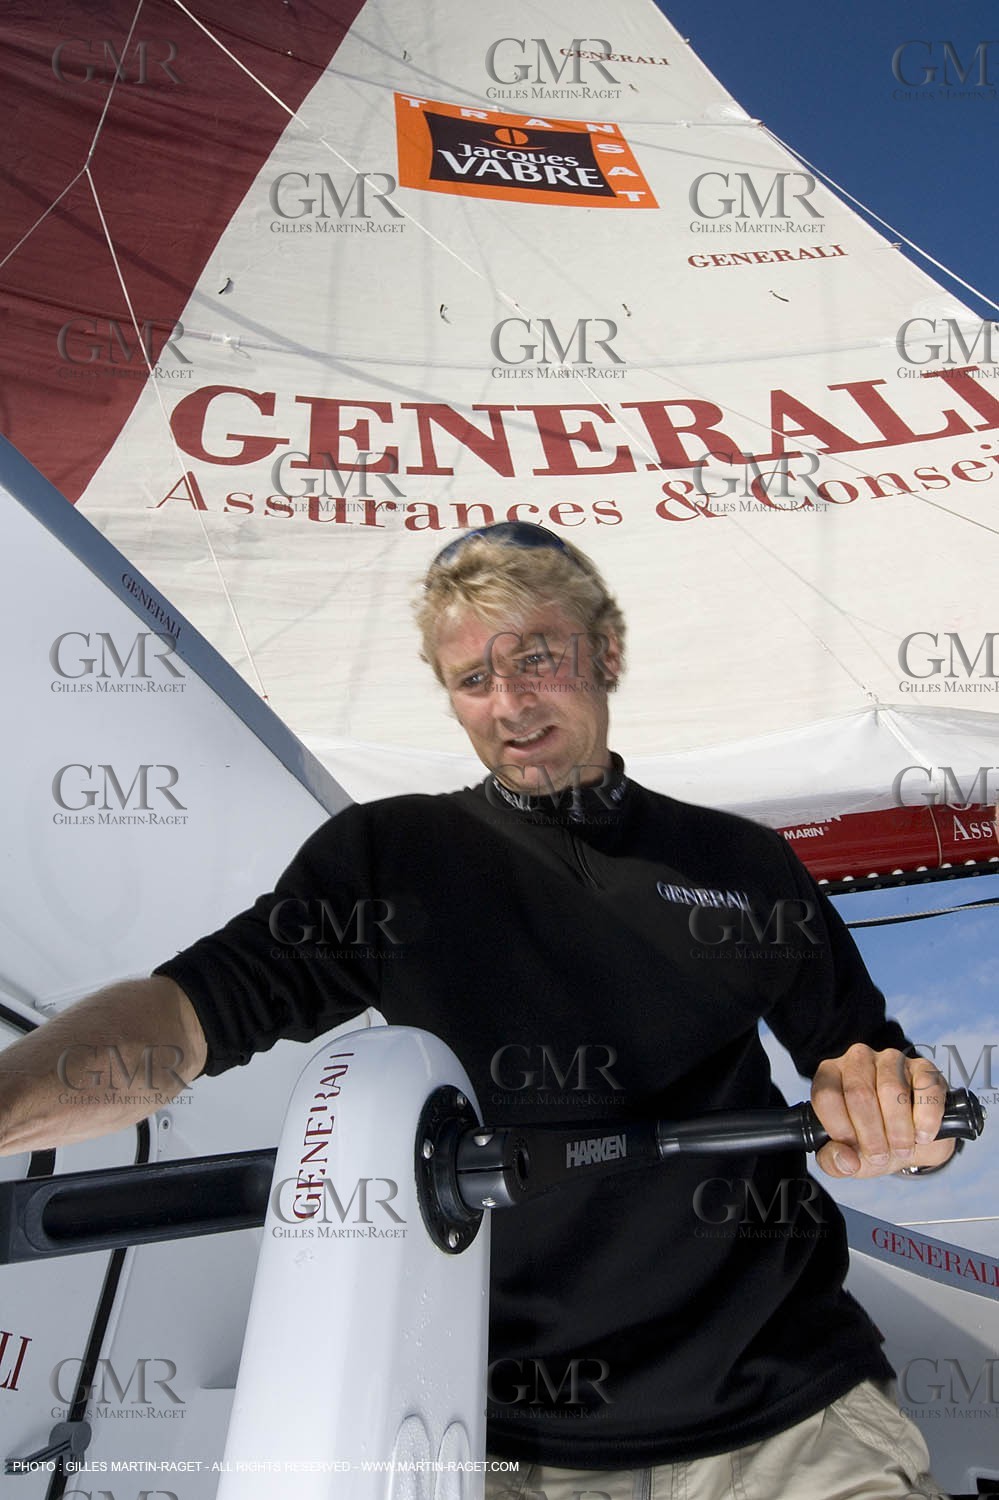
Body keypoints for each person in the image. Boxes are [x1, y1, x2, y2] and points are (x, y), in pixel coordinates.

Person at [0, 523, 956, 1499]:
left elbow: (879, 1076)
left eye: (537, 659)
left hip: (789, 1416)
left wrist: (894, 1114)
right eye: (471, 680)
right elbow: (179, 1021)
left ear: (607, 652)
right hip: (497, 1440)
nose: (509, 705)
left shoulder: (743, 867)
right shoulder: (389, 856)